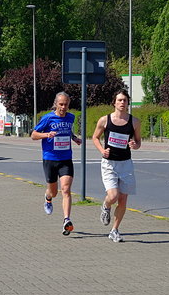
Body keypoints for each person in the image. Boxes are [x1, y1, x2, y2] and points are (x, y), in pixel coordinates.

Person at [92, 89, 141, 243]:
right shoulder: (105, 120)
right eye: (119, 100)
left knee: (123, 200)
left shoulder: (134, 122)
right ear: (114, 102)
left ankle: (114, 230)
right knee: (113, 196)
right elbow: (95, 137)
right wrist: (102, 150)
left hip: (126, 164)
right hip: (109, 164)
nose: (122, 103)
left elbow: (138, 142)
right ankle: (106, 206)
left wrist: (135, 144)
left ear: (128, 103)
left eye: (125, 100)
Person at [31, 92, 82, 236]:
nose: (63, 107)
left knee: (66, 189)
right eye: (61, 104)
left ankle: (67, 220)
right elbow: (34, 135)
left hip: (66, 158)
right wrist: (46, 135)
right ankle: (48, 199)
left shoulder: (71, 117)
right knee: (53, 192)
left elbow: (68, 131)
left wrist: (74, 138)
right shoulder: (47, 118)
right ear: (56, 104)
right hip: (50, 158)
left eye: (66, 104)